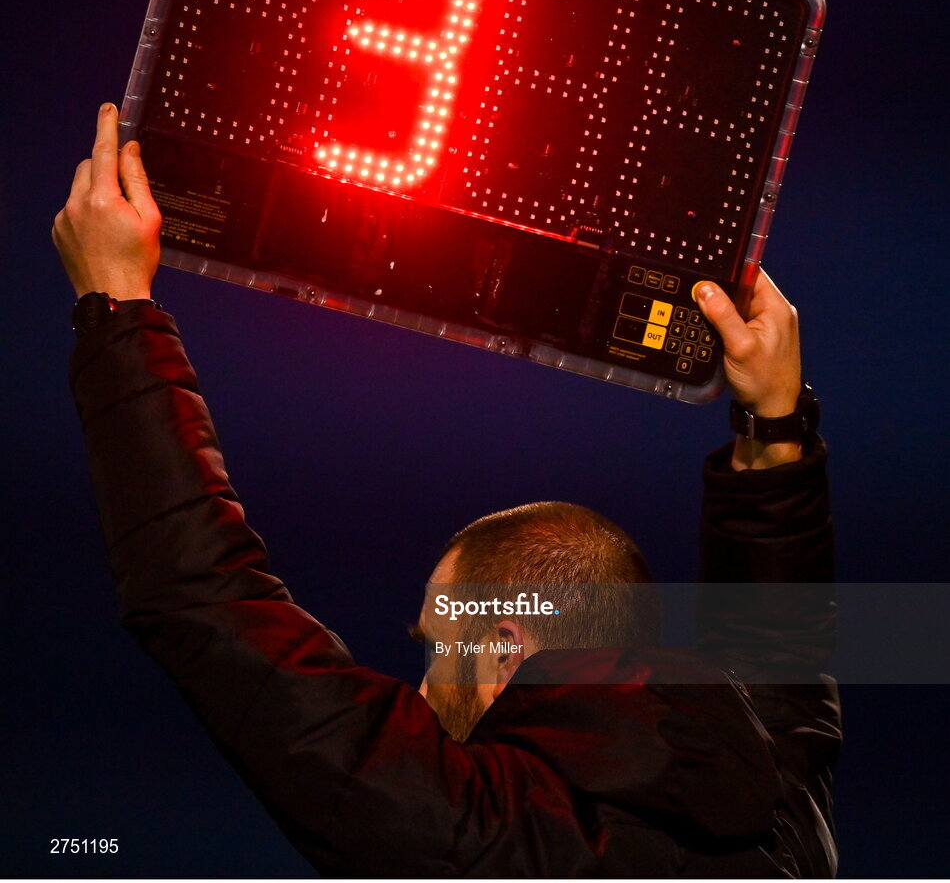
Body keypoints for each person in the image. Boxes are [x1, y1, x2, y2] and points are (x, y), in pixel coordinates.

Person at [54, 103, 840, 877]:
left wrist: (117, 307)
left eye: (436, 649)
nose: (423, 690)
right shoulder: (781, 819)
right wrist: (775, 421)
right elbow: (777, 652)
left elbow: (203, 600)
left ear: (504, 646)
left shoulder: (483, 838)